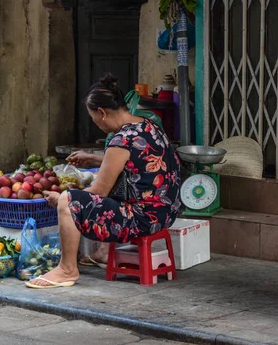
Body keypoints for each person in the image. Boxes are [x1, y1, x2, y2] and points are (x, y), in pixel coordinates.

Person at [27, 73, 181, 289]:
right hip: (167, 212)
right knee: (117, 187)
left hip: (144, 218)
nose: (95, 123)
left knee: (68, 202)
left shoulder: (120, 141)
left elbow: (98, 191)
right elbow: (139, 162)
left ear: (102, 113)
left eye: (93, 118)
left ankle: (67, 269)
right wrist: (95, 159)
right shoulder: (147, 125)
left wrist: (61, 199)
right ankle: (103, 252)